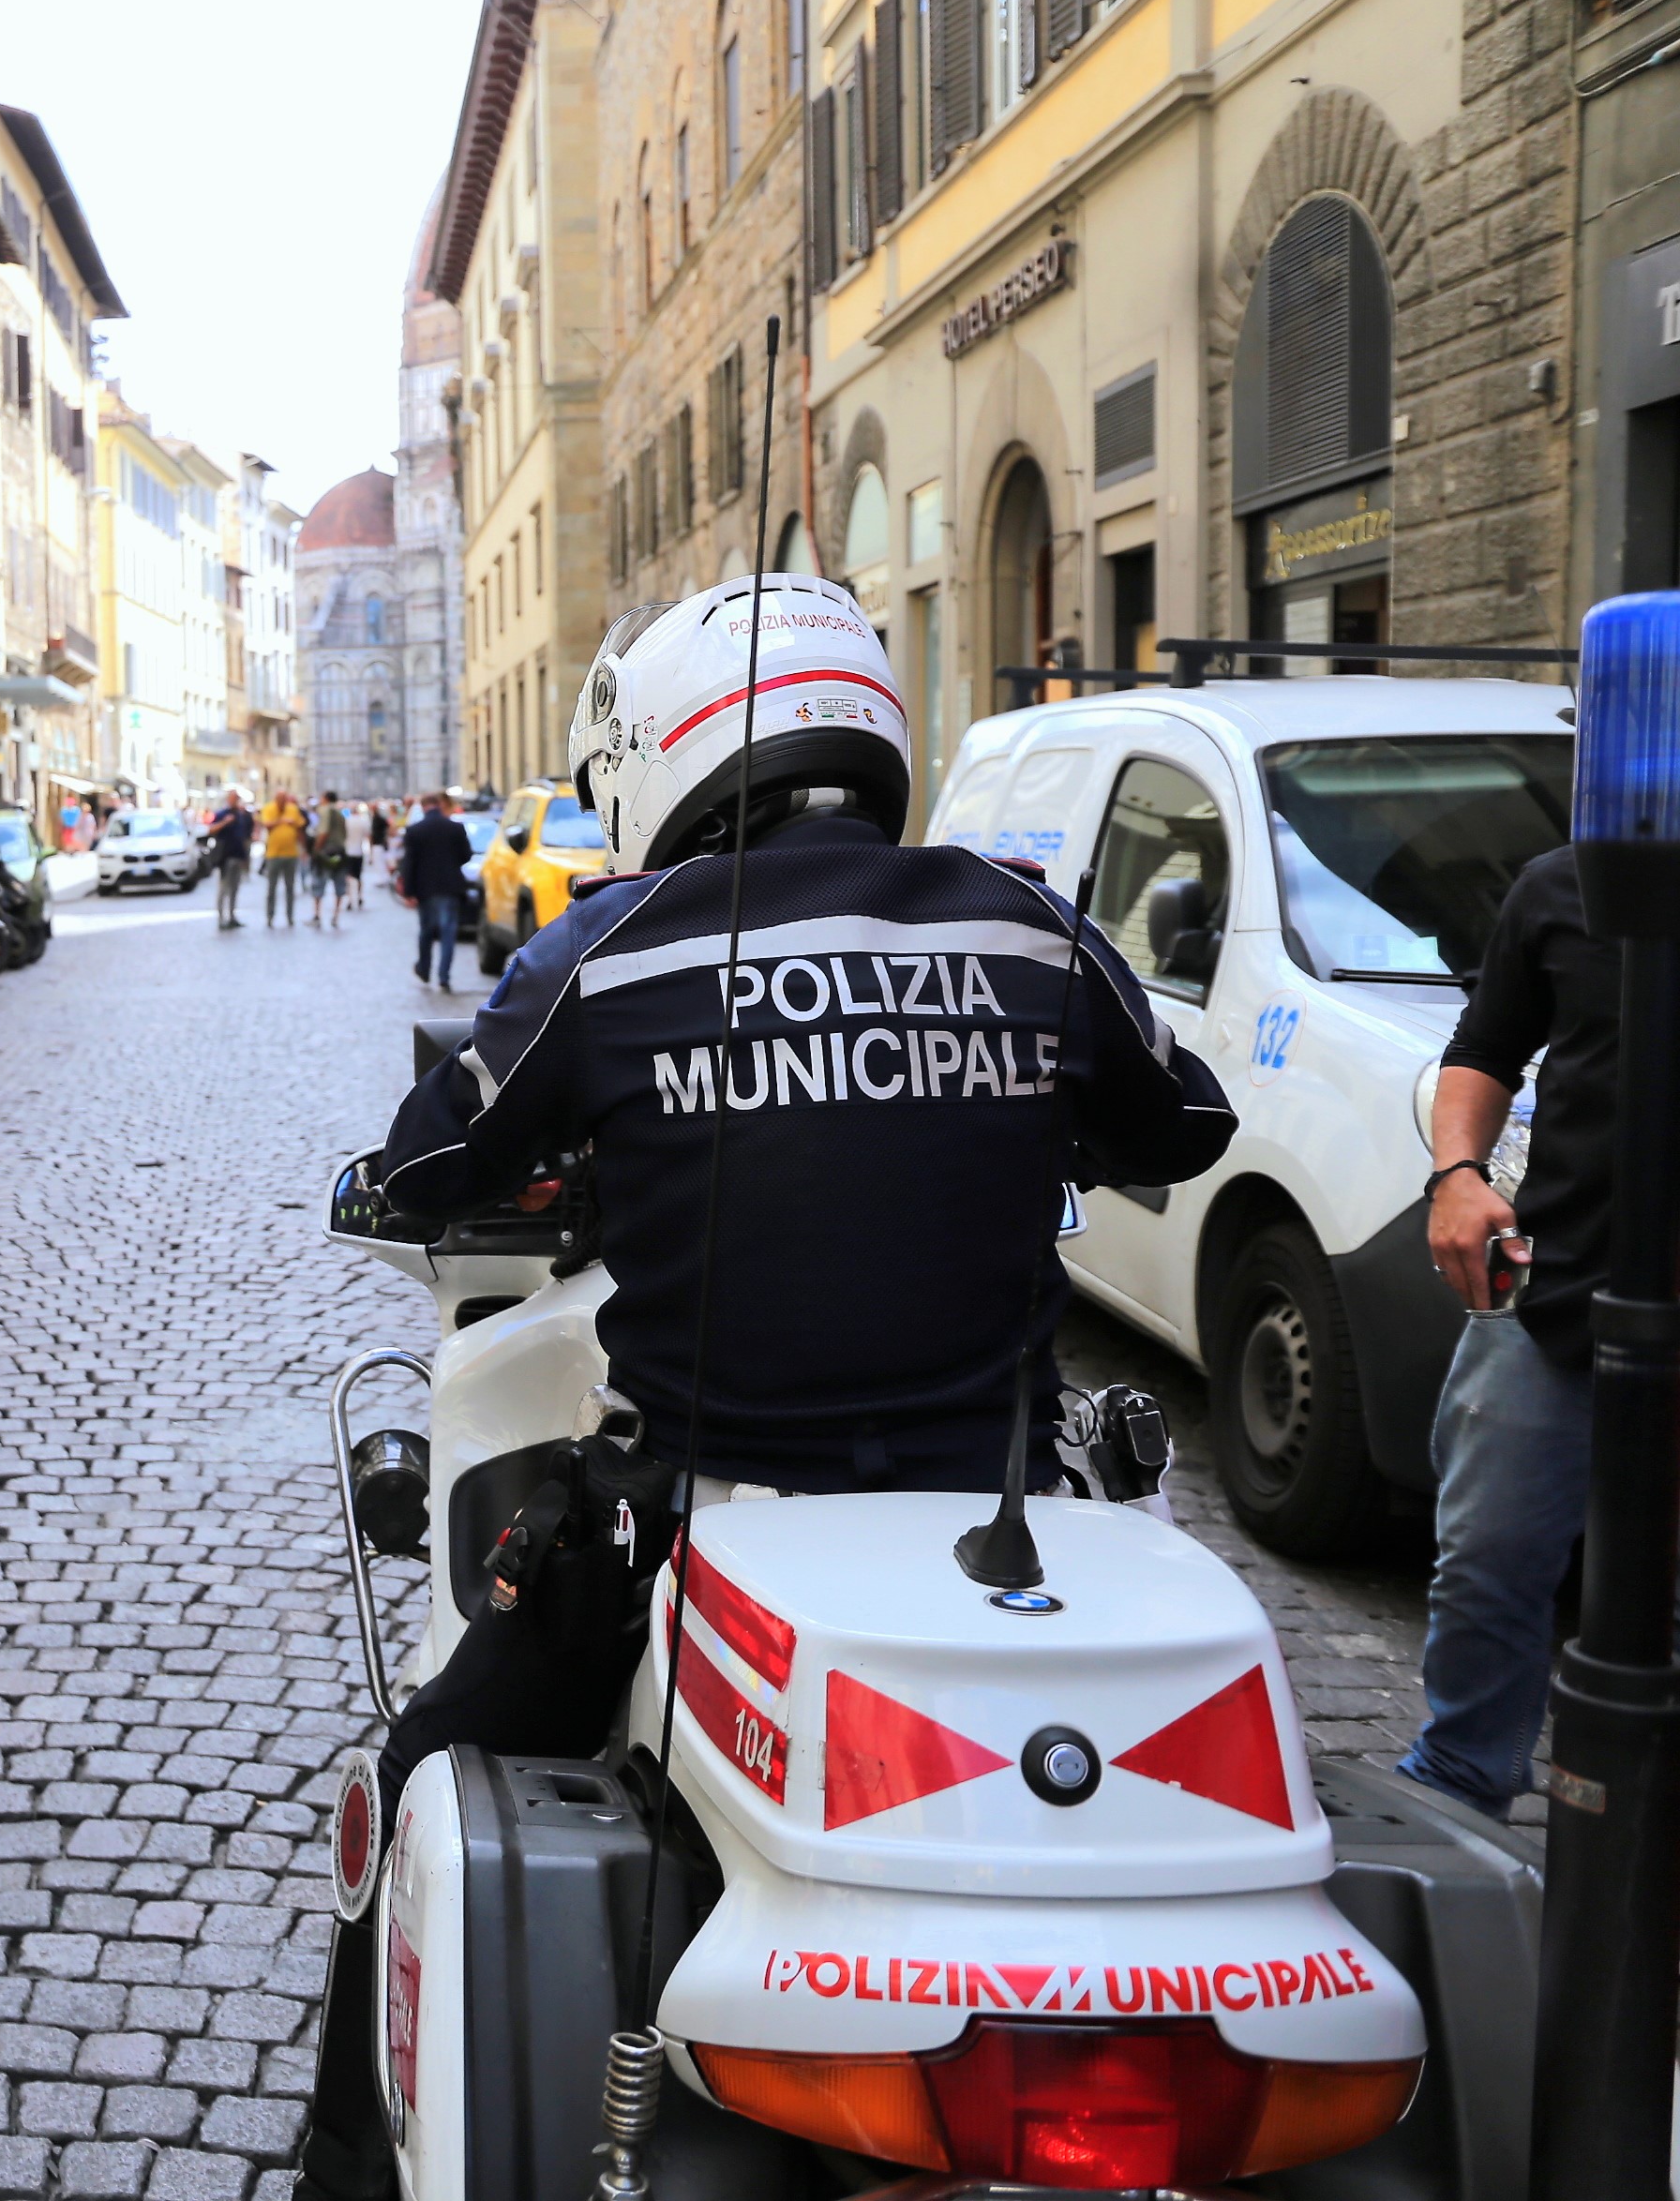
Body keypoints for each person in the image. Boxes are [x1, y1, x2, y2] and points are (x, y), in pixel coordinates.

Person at [294, 579, 1238, 2201]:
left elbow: (431, 1155)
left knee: (415, 1777)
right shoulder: (1026, 924)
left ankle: (336, 2175)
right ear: (867, 727)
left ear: (664, 752)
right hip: (1002, 1531)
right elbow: (1180, 1122)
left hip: (693, 1537)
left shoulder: (611, 948)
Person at [1398, 842, 1616, 1818]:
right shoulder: (1566, 882)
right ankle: (1459, 1783)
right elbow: (1484, 1047)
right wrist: (1457, 1173)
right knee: (1488, 1559)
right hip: (1561, 1285)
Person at [396, 793, 472, 992]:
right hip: (450, 887)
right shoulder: (455, 828)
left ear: (423, 807)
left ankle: (424, 968)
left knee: (426, 931)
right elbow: (466, 855)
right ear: (439, 805)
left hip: (424, 889)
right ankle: (444, 976)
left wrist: (408, 892)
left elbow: (409, 864)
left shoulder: (414, 831)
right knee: (448, 932)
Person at [258, 789, 309, 927]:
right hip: (273, 854)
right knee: (271, 888)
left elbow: (299, 828)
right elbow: (267, 825)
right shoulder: (268, 808)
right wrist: (283, 821)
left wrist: (303, 848)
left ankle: (290, 916)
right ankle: (270, 916)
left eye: (284, 799)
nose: (282, 802)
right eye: (279, 799)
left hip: (291, 854)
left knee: (290, 888)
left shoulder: (293, 809)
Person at [205, 788, 255, 929]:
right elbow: (210, 830)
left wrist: (246, 857)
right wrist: (225, 823)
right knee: (223, 888)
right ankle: (221, 918)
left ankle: (232, 915)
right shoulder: (222, 814)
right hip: (225, 857)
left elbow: (244, 837)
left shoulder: (241, 815)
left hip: (238, 855)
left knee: (234, 888)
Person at [309, 792, 355, 928]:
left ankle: (317, 915)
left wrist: (316, 849)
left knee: (319, 883)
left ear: (325, 799)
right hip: (340, 852)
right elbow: (345, 834)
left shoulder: (325, 811)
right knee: (339, 885)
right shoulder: (341, 814)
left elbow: (323, 832)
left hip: (326, 853)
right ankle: (335, 916)